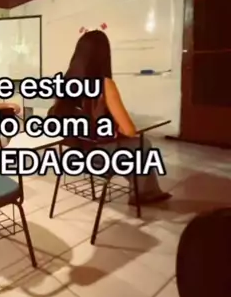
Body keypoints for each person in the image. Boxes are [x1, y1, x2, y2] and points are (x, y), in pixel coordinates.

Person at [50, 30, 171, 206]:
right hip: (98, 158)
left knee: (131, 147)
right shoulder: (105, 84)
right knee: (142, 144)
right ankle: (143, 193)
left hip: (74, 154)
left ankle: (142, 190)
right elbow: (129, 130)